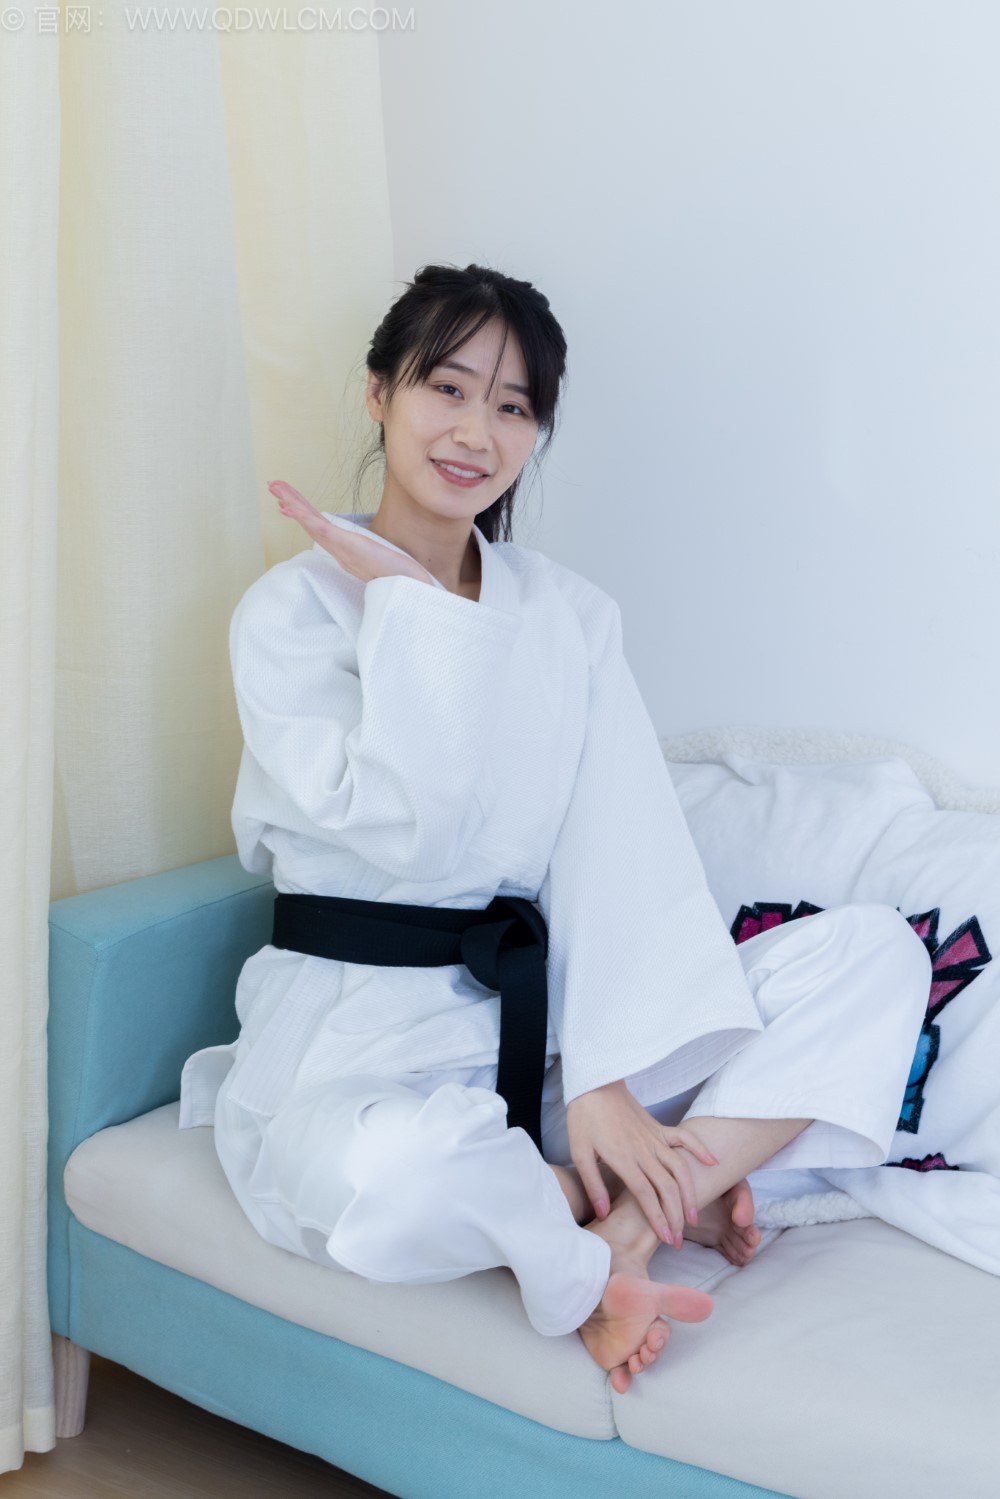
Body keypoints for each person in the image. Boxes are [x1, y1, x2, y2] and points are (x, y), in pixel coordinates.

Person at [178, 263, 933, 1394]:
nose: (475, 431)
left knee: (875, 955)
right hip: (357, 1039)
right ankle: (586, 1236)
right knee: (400, 1177)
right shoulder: (288, 615)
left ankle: (626, 1219)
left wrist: (603, 1075)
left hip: (539, 1037)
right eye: (446, 387)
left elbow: (614, 842)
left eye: (513, 405)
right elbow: (412, 835)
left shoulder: (570, 614)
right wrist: (409, 608)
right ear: (380, 391)